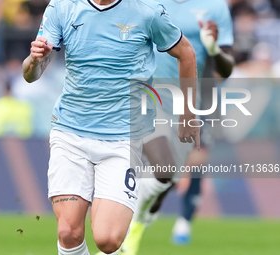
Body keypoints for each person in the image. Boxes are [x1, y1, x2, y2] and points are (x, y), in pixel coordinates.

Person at [22, 0, 198, 255]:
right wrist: (33, 59)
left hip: (123, 139)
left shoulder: (147, 11)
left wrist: (188, 114)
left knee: (108, 239)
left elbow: (186, 53)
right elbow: (31, 74)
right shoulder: (62, 7)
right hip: (70, 133)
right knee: (68, 232)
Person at [120, 0, 235, 253]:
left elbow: (225, 70)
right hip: (148, 98)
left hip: (190, 105)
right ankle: (128, 228)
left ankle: (142, 219)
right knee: (162, 168)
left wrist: (213, 48)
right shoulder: (143, 3)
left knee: (169, 178)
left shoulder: (214, 7)